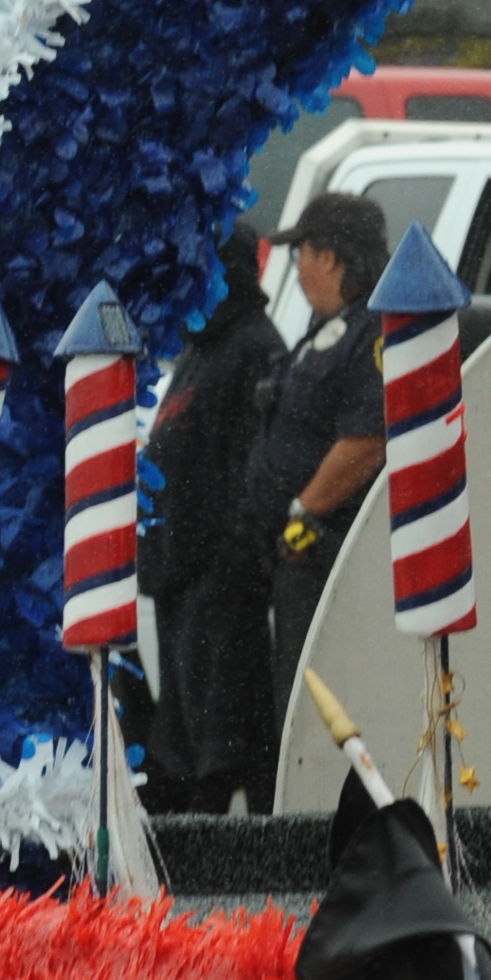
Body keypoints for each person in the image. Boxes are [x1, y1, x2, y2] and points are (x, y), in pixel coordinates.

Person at [139, 229, 284, 810]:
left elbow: (251, 472)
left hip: (218, 581)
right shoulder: (203, 345)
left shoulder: (255, 348)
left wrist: (226, 562)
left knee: (219, 744)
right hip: (178, 574)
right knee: (181, 738)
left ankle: (218, 858)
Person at [248, 191, 389, 749]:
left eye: (301, 253)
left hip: (325, 548)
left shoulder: (368, 334)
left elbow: (366, 441)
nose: (298, 267)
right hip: (291, 554)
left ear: (329, 258)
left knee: (316, 700)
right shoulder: (324, 329)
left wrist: (305, 509)